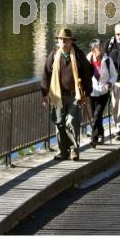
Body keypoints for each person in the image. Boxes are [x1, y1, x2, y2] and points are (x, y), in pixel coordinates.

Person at [41, 28, 93, 161]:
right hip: (57, 96)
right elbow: (46, 75)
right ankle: (62, 151)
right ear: (58, 42)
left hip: (74, 95)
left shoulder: (79, 55)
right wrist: (45, 94)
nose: (63, 42)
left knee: (71, 122)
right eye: (61, 40)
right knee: (59, 124)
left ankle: (74, 150)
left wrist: (87, 92)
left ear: (71, 42)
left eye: (66, 40)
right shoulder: (53, 55)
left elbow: (88, 73)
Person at [87, 39, 117, 147]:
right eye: (99, 49)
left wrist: (110, 82)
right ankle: (101, 134)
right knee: (95, 116)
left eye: (101, 48)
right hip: (91, 92)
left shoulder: (107, 60)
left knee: (97, 114)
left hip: (104, 92)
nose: (101, 50)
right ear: (93, 50)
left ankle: (93, 138)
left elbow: (114, 75)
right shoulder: (88, 59)